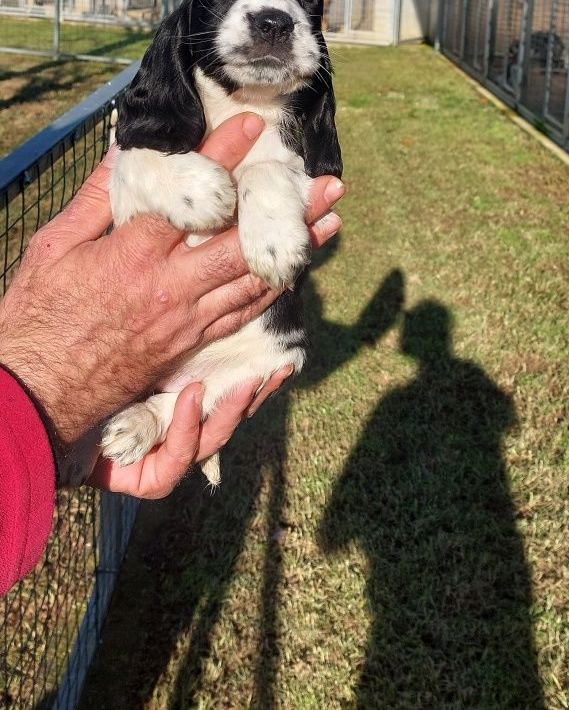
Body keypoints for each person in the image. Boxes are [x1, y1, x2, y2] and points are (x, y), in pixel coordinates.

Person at [0, 112, 344, 595]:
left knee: (279, 354)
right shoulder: (156, 127)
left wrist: (53, 433)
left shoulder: (279, 132)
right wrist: (49, 390)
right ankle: (156, 411)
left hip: (231, 355)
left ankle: (162, 412)